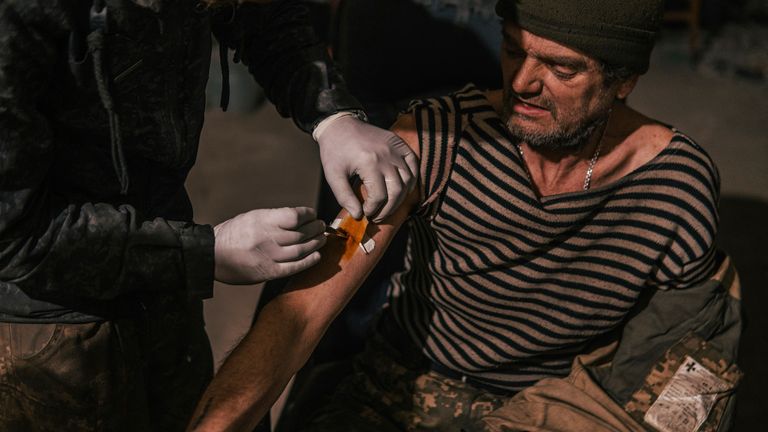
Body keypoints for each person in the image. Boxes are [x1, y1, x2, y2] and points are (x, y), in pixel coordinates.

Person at [190, 0, 743, 431]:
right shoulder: (434, 138)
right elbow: (301, 314)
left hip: (546, 405)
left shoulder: (675, 187)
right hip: (404, 385)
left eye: (562, 69)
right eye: (513, 50)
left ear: (624, 80)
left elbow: (687, 353)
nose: (523, 83)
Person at [0, 0, 418, 430]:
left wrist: (332, 115)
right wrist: (203, 252)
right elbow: (13, 238)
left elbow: (266, 20)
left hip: (164, 294)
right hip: (49, 321)